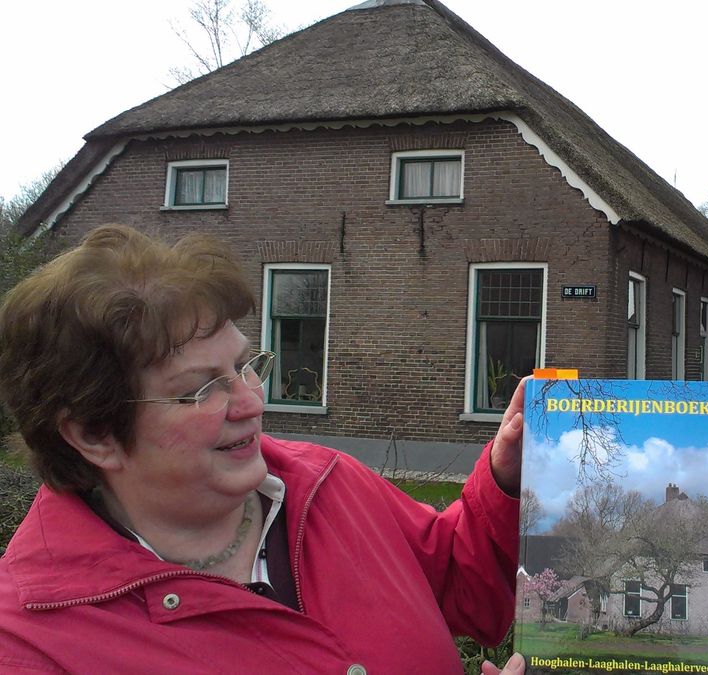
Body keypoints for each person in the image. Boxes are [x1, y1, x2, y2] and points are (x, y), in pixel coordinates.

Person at [0, 224, 528, 673]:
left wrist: (505, 483)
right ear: (95, 434)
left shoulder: (329, 481)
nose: (252, 401)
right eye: (200, 389)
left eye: (246, 366)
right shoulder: (32, 643)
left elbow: (462, 585)